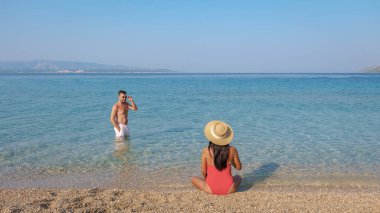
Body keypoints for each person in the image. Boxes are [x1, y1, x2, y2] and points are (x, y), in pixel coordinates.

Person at [191, 120, 242, 195]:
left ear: (212, 136)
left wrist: (207, 180)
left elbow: (203, 171)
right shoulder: (232, 150)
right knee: (238, 177)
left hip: (211, 189)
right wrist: (231, 161)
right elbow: (238, 167)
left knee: (193, 179)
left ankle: (209, 185)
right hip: (230, 189)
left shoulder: (206, 151)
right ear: (226, 137)